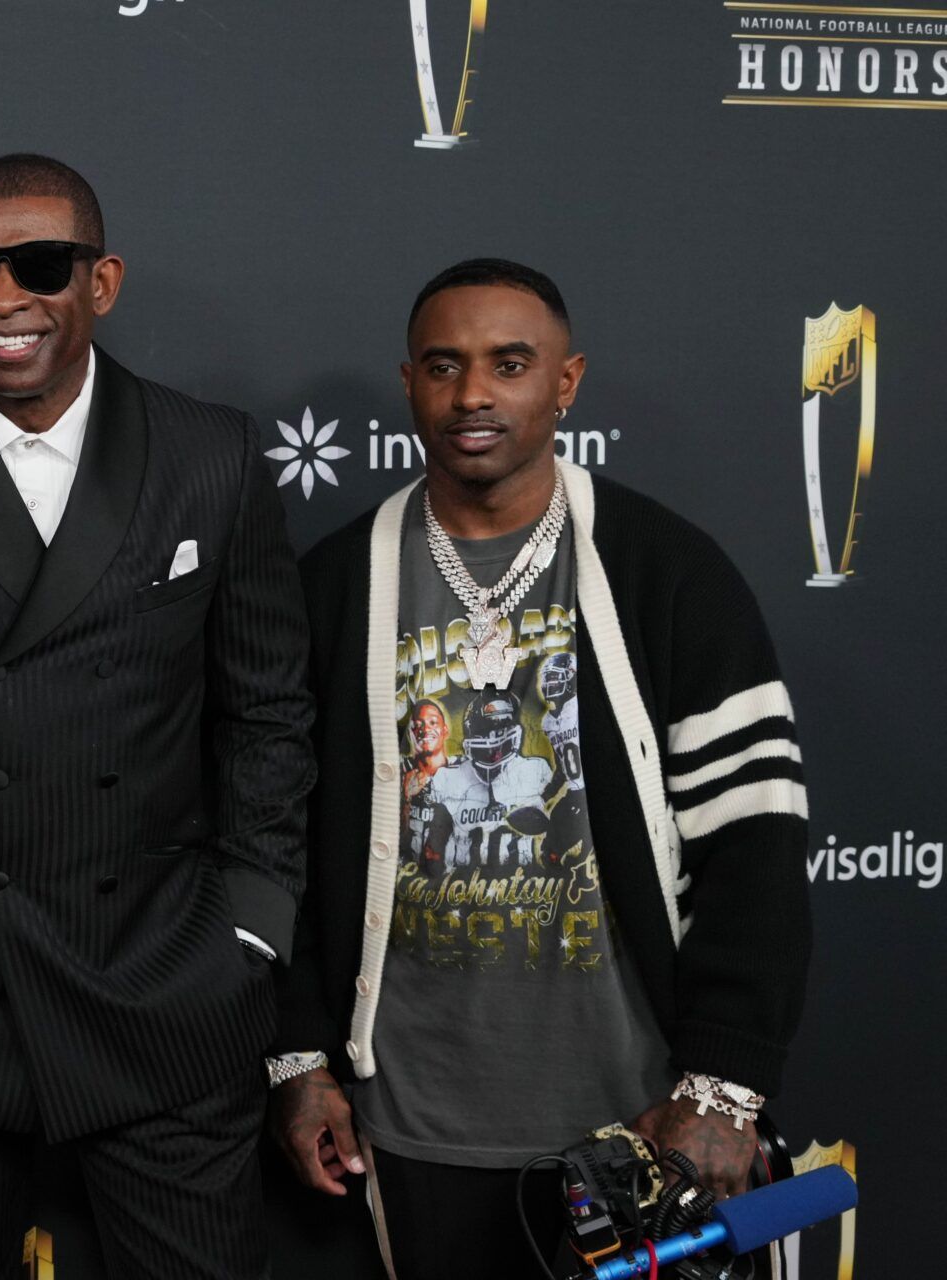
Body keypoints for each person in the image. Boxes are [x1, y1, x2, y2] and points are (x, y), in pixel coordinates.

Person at [0, 154, 314, 1279]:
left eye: (38, 265)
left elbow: (267, 714)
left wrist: (252, 929)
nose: (2, 297)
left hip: (167, 987)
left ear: (102, 281)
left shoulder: (211, 455)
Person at [270, 259, 811, 1280]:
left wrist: (724, 1087)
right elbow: (278, 844)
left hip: (635, 1122)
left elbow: (758, 844)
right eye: (445, 365)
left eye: (509, 364)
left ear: (565, 383)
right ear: (409, 384)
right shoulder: (337, 586)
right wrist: (299, 1059)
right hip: (410, 1122)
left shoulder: (669, 573)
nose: (474, 393)